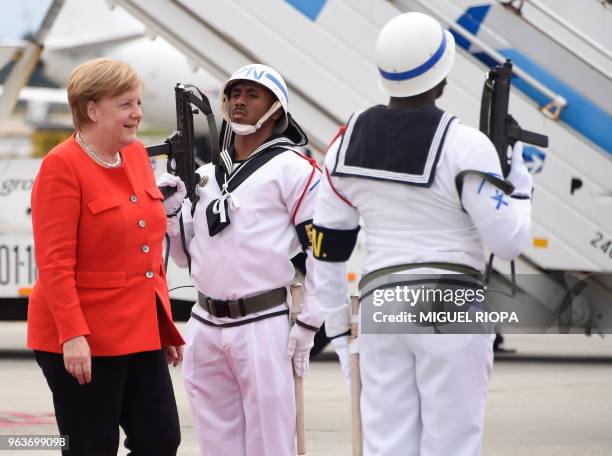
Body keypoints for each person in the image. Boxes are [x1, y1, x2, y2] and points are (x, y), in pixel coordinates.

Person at [313, 12, 533, 456]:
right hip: (451, 302)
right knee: (451, 445)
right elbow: (508, 242)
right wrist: (520, 186)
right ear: (444, 74)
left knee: (387, 446)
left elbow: (327, 252)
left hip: (381, 305)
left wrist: (338, 334)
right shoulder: (467, 145)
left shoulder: (344, 144)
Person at [158, 63, 323, 456]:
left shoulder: (296, 171)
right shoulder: (203, 177)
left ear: (277, 110)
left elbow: (321, 250)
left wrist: (311, 320)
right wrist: (169, 215)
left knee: (269, 441)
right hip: (204, 322)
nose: (239, 102)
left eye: (252, 95)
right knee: (215, 444)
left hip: (262, 322)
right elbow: (184, 259)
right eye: (234, 94)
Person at [28, 57, 185, 456]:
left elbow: (148, 247)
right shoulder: (61, 166)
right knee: (90, 447)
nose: (138, 114)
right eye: (126, 105)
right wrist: (73, 336)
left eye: (138, 103)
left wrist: (163, 323)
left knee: (161, 439)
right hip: (83, 335)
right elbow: (55, 263)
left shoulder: (133, 156)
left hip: (140, 328)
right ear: (92, 109)